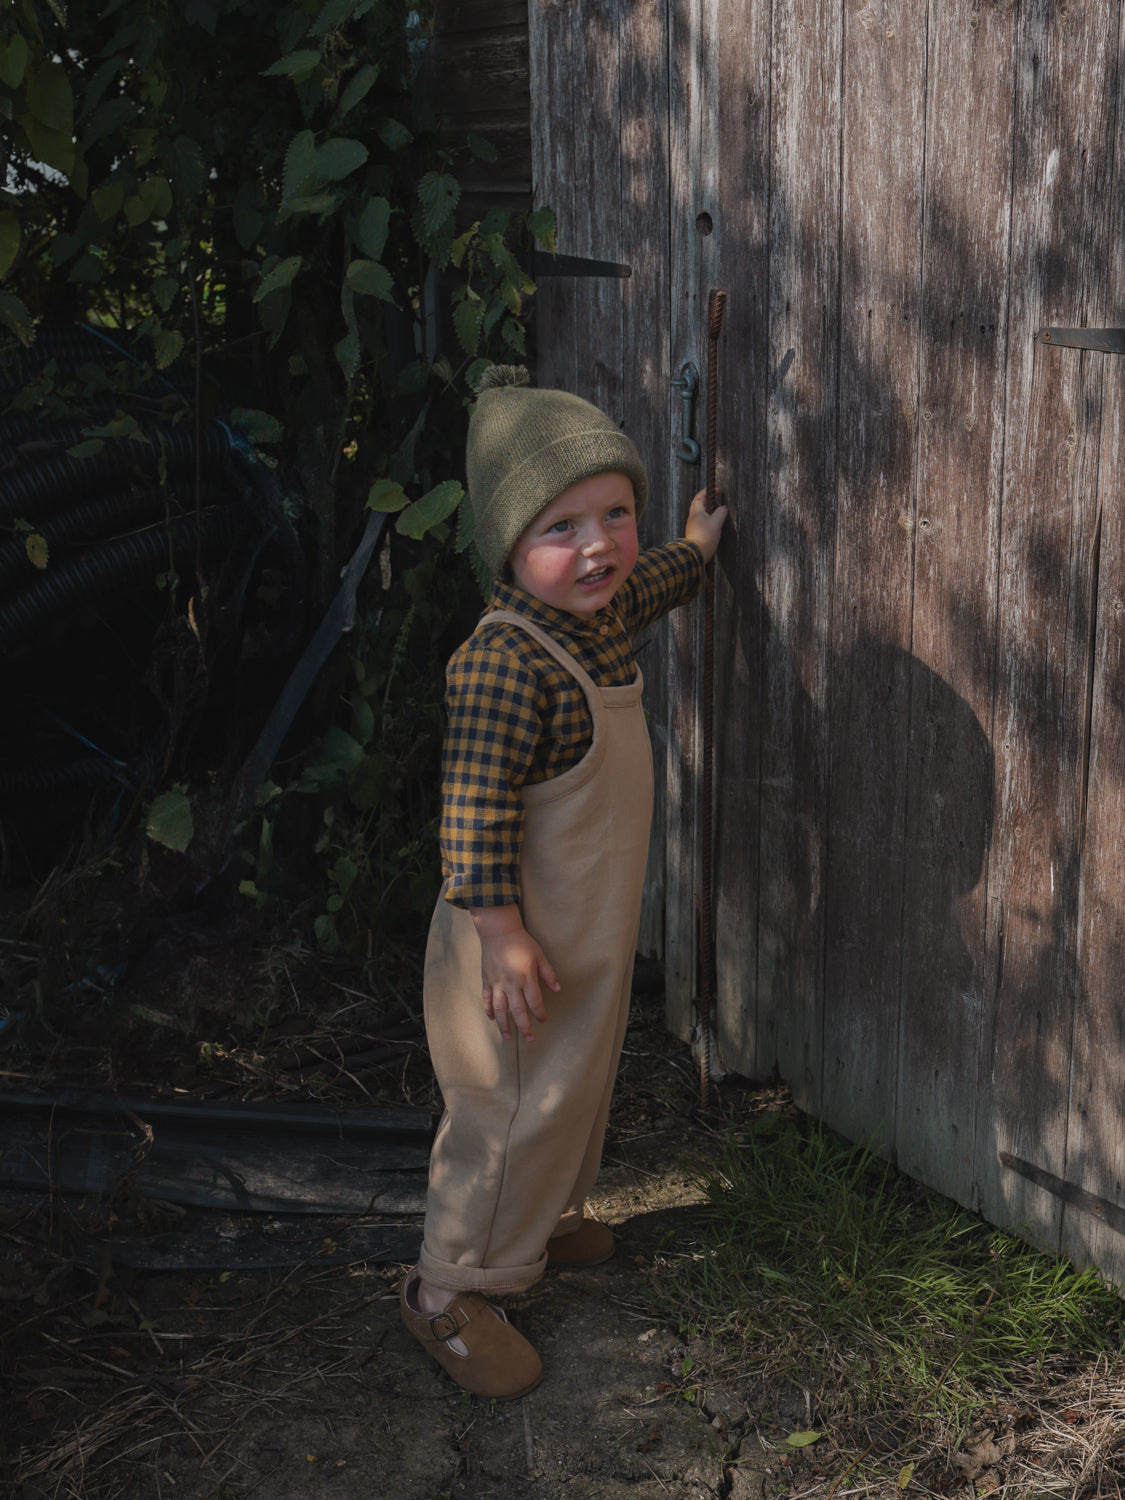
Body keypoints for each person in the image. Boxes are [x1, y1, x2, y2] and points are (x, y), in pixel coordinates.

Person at [399, 365, 728, 1399]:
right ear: (506, 543)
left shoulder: (591, 610)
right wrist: (500, 933)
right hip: (512, 953)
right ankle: (446, 1292)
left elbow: (649, 581)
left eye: (614, 513)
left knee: (575, 1087)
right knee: (507, 1111)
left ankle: (544, 1225)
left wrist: (698, 545)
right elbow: (475, 810)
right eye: (561, 525)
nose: (597, 546)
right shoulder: (505, 663)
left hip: (575, 943)